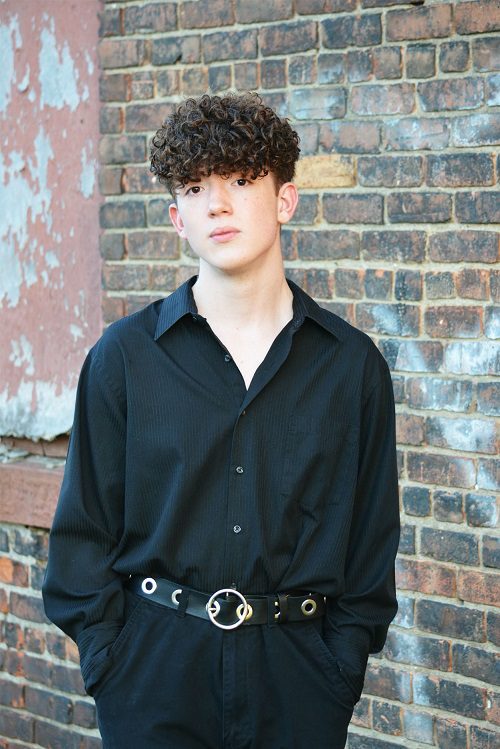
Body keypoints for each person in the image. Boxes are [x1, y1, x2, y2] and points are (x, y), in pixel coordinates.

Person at [43, 92, 400, 749]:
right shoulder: (122, 360)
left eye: (240, 179)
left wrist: (338, 669)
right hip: (153, 678)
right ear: (177, 217)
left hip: (299, 683)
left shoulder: (352, 369)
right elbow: (81, 540)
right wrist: (111, 664)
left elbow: (370, 550)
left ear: (285, 199)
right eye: (197, 186)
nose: (219, 203)